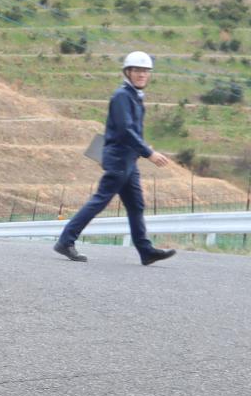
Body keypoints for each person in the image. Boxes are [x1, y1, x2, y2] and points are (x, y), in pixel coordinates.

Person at [54, 52, 174, 265]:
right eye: (137, 70)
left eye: (146, 71)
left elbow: (131, 129)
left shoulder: (133, 96)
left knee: (136, 205)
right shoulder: (122, 96)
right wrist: (149, 153)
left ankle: (145, 251)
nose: (142, 75)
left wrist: (142, 149)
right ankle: (66, 240)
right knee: (100, 200)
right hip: (119, 158)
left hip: (128, 159)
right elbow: (125, 130)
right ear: (128, 72)